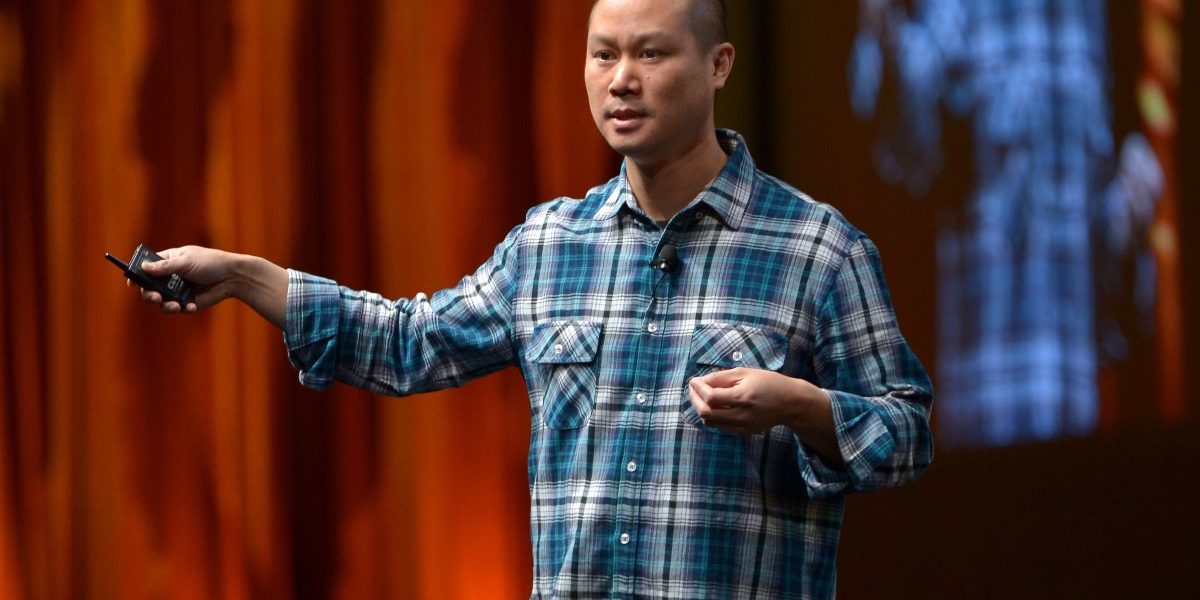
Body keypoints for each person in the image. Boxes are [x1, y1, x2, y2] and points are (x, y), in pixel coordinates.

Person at [135, 0, 932, 596]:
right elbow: (408, 345)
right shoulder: (549, 243)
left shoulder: (816, 249)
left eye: (651, 53)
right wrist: (246, 277)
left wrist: (802, 407)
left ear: (719, 64)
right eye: (602, 54)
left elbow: (906, 434)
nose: (621, 80)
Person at [849, 0, 1162, 448]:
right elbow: (909, 146)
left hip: (1076, 390)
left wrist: (1130, 213)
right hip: (985, 381)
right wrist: (885, 37)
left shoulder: (1092, 14)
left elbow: (1109, 259)